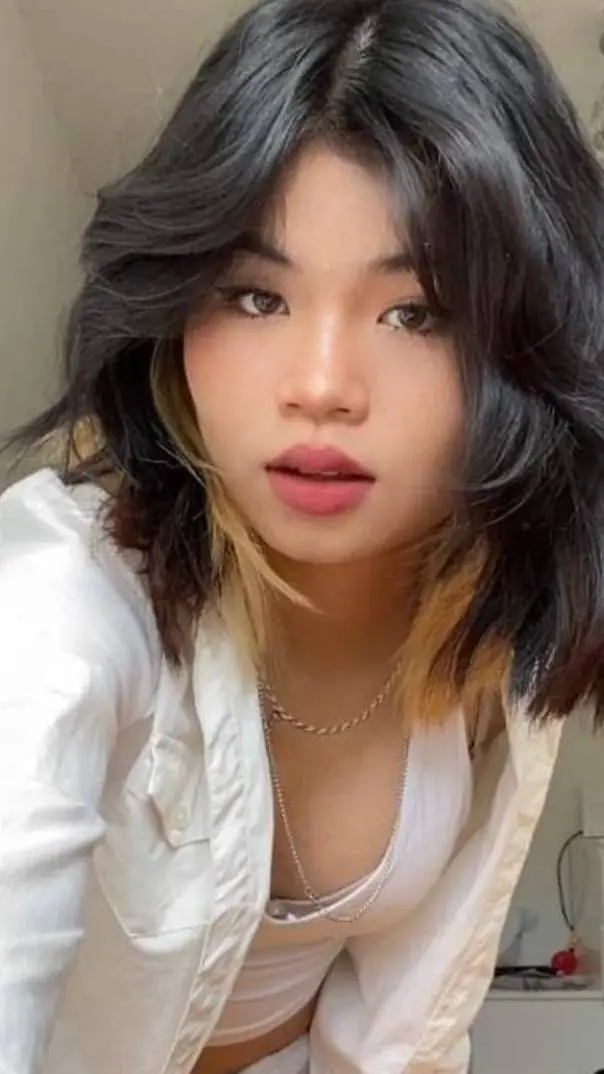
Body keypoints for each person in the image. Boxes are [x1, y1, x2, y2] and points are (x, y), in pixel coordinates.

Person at [0, 0, 602, 1071]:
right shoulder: (64, 599)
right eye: (253, 296)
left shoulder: (498, 617)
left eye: (417, 312)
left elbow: (415, 1014)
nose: (321, 386)